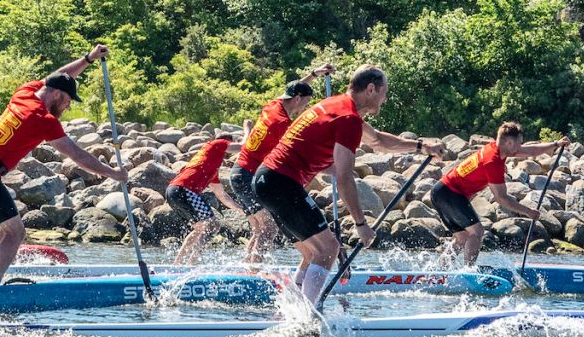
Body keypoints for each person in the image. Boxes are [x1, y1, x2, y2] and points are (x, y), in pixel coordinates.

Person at [252, 65, 445, 305]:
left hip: (267, 180)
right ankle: (306, 319)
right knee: (328, 249)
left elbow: (377, 141)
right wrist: (361, 224)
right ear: (371, 89)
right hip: (280, 181)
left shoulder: (339, 105)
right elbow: (344, 176)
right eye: (384, 93)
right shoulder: (348, 119)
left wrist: (420, 147)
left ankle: (293, 309)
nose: (384, 99)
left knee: (313, 252)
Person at [0, 44, 128, 286]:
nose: (68, 107)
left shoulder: (25, 92)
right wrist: (112, 173)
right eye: (69, 100)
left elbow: (58, 75)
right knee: (15, 233)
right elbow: (76, 154)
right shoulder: (44, 120)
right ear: (58, 95)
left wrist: (88, 59)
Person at [230, 63, 335, 263]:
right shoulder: (282, 125)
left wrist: (313, 74)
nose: (305, 107)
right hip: (248, 175)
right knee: (269, 227)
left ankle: (248, 268)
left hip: (239, 172)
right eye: (306, 102)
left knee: (261, 227)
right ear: (297, 99)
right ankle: (254, 272)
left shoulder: (273, 106)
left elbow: (293, 88)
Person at [432, 122, 568, 267]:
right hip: (449, 193)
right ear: (509, 142)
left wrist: (556, 144)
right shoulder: (493, 161)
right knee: (476, 232)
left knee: (462, 236)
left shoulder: (497, 147)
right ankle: (469, 272)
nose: (520, 146)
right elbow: (501, 198)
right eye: (519, 143)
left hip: (441, 191)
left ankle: (439, 272)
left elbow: (531, 151)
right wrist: (528, 212)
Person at [166, 135, 244, 267]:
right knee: (212, 225)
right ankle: (191, 265)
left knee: (200, 229)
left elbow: (222, 196)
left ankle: (177, 265)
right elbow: (243, 147)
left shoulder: (211, 169)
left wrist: (241, 210)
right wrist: (248, 129)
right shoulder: (215, 144)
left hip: (172, 191)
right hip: (183, 190)